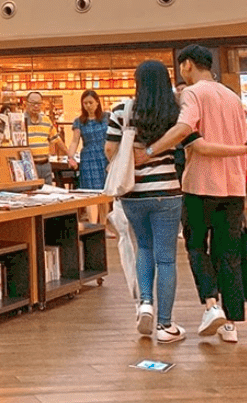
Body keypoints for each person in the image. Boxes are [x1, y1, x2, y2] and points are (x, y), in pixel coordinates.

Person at [141, 44, 247, 345]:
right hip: (234, 188)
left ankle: (212, 305)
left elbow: (189, 133)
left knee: (197, 247)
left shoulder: (193, 93)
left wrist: (149, 151)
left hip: (200, 186)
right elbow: (245, 142)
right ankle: (231, 324)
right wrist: (244, 155)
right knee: (229, 254)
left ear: (186, 65)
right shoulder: (234, 98)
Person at [105, 61, 187, 344]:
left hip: (133, 192)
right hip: (167, 191)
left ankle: (145, 305)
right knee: (166, 257)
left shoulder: (122, 110)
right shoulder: (174, 112)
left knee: (144, 248)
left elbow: (109, 149)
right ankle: (165, 325)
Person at [66, 89, 110, 190]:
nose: (88, 106)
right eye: (85, 103)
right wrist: (70, 157)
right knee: (89, 189)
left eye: (91, 102)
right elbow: (74, 141)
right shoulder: (79, 121)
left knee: (108, 187)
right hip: (88, 158)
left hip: (106, 155)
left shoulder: (107, 117)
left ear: (97, 102)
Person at [24, 90, 57, 184]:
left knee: (48, 192)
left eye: (39, 104)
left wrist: (70, 156)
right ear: (26, 104)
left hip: (45, 164)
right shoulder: (20, 121)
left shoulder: (46, 120)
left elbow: (56, 140)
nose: (36, 106)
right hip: (29, 164)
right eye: (33, 103)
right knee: (31, 193)